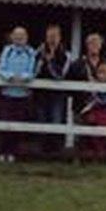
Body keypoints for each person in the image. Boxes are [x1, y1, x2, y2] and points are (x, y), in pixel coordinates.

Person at [0, 26, 36, 163]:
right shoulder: (7, 51)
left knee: (17, 126)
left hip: (22, 95)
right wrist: (10, 77)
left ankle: (13, 152)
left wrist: (23, 78)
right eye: (16, 36)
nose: (19, 38)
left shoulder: (31, 52)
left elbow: (31, 71)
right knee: (5, 124)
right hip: (7, 93)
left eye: (22, 36)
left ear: (26, 37)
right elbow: (1, 69)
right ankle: (3, 151)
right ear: (12, 37)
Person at [34, 23, 72, 157]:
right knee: (41, 120)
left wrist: (50, 63)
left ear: (60, 37)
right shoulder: (38, 52)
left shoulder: (65, 54)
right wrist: (42, 62)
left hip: (57, 94)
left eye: (55, 36)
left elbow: (60, 75)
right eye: (50, 36)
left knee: (56, 120)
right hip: (41, 93)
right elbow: (33, 72)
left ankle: (55, 153)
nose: (52, 39)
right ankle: (41, 152)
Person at [76, 61, 106, 163]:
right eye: (100, 72)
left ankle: (102, 154)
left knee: (105, 125)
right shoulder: (91, 86)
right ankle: (90, 153)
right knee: (89, 121)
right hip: (93, 110)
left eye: (105, 72)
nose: (102, 75)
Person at [68, 33, 106, 113]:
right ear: (87, 45)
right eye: (92, 43)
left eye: (97, 43)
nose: (94, 46)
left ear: (101, 46)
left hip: (101, 106)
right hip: (82, 106)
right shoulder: (78, 64)